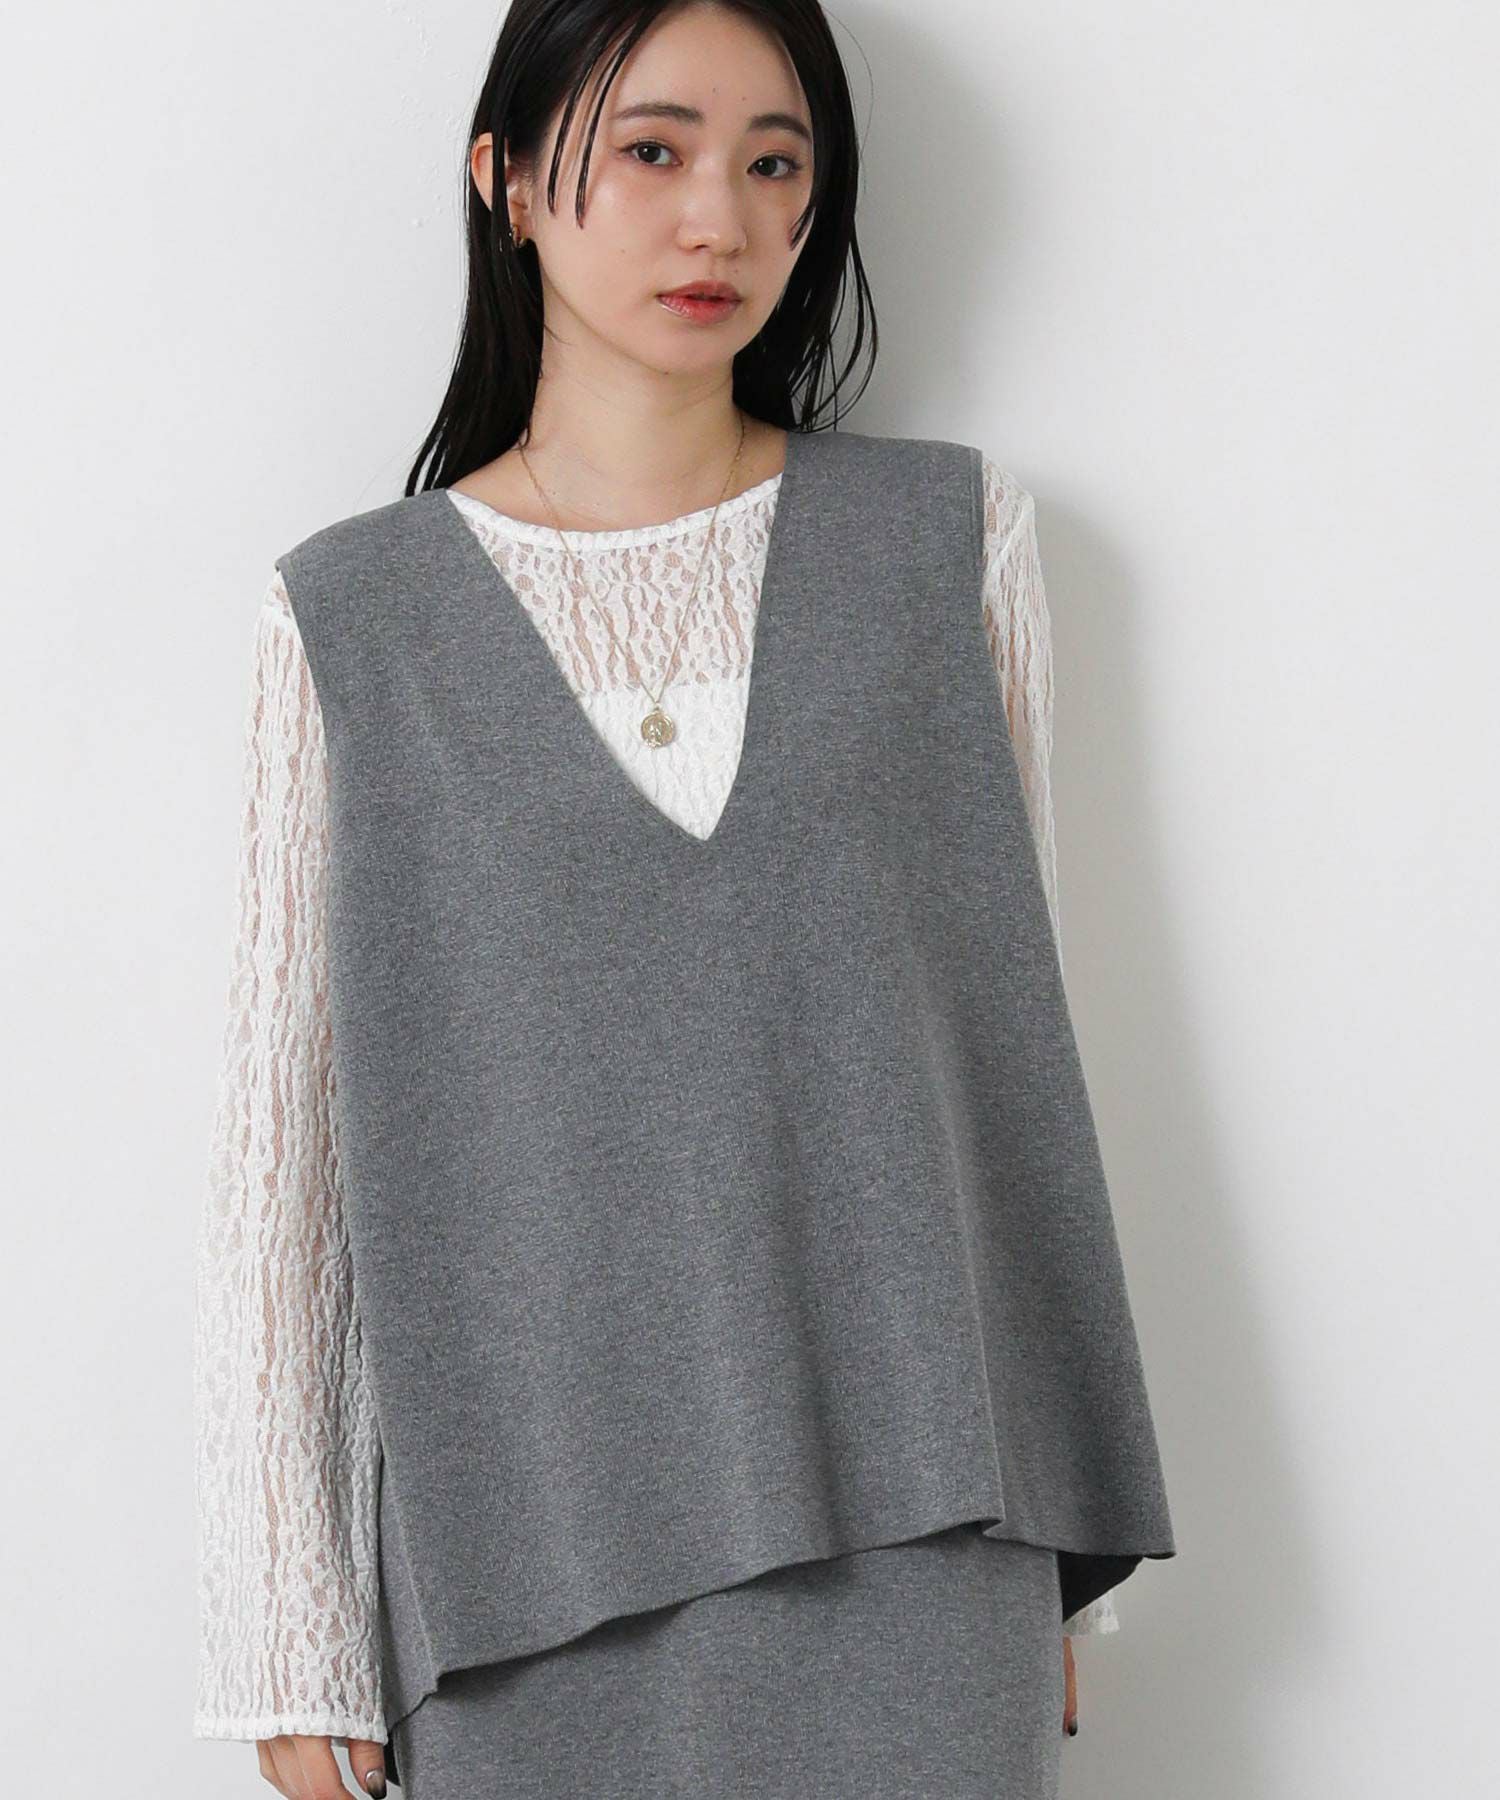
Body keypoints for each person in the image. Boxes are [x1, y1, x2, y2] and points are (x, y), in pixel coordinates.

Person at [192, 2, 1177, 1795]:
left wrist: (1058, 1564)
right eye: (651, 150)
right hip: (519, 1581)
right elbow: (287, 1168)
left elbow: (1006, 1067)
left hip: (928, 1546)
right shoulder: (347, 623)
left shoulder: (950, 546)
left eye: (774, 162)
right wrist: (292, 1630)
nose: (718, 217)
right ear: (505, 181)